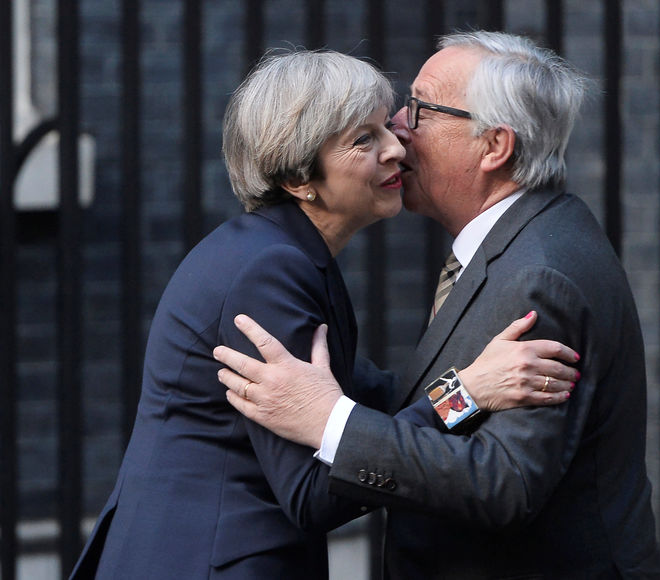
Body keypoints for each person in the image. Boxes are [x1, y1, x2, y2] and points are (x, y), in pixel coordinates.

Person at [69, 49, 579, 580]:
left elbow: (362, 396)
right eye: (363, 140)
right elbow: (313, 496)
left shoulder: (280, 253)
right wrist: (465, 395)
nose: (395, 147)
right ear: (297, 177)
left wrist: (470, 385)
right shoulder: (267, 273)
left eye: (387, 124)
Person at [215, 31, 660, 578]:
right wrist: (461, 391)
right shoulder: (518, 241)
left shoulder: (538, 277)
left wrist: (332, 421)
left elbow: (504, 482)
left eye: (419, 109)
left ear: (494, 146)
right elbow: (449, 401)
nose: (398, 128)